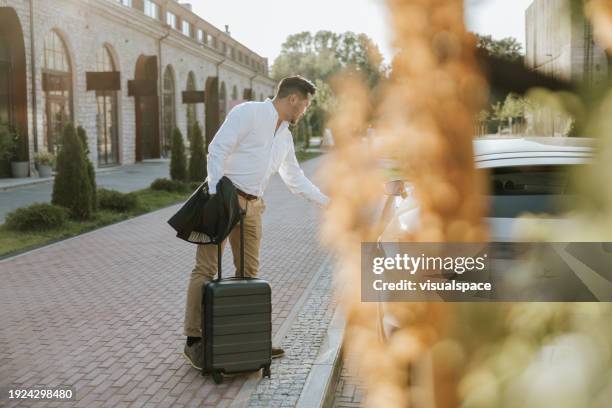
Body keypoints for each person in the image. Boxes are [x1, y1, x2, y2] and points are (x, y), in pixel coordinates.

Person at [183, 75, 329, 370]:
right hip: (223, 196)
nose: (305, 110)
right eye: (305, 104)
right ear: (293, 99)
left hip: (254, 205)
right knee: (206, 268)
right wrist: (213, 193)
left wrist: (328, 203)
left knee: (249, 272)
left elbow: (294, 178)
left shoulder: (285, 136)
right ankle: (194, 341)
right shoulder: (248, 113)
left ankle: (247, 337)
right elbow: (217, 149)